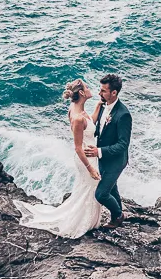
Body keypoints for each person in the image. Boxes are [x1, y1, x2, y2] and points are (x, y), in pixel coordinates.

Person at [12, 79, 103, 238]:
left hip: (89, 155)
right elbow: (77, 146)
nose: (90, 89)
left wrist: (97, 107)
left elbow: (89, 126)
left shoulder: (77, 109)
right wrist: (90, 168)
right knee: (90, 187)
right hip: (85, 158)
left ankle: (87, 220)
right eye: (87, 87)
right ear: (81, 93)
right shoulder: (77, 117)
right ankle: (80, 222)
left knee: (86, 189)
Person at [83, 73, 132, 229]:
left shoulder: (123, 115)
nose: (99, 93)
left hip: (116, 161)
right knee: (113, 189)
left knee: (101, 194)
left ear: (114, 93)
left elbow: (123, 144)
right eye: (100, 89)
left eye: (103, 91)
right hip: (103, 158)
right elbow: (99, 129)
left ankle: (118, 215)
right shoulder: (103, 106)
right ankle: (116, 217)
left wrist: (99, 151)